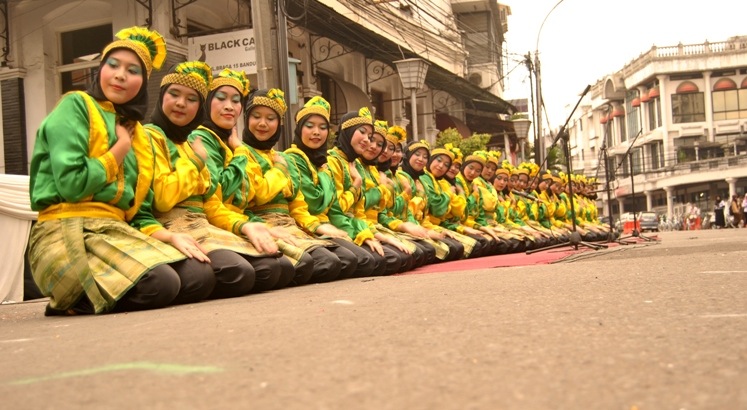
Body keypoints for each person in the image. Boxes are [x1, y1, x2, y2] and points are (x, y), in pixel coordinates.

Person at [28, 26, 209, 315]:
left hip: (116, 231)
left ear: (143, 82)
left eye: (133, 70)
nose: (121, 75)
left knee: (198, 277)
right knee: (160, 284)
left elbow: (140, 211)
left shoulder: (137, 132)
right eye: (113, 65)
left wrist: (170, 237)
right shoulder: (76, 105)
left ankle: (102, 295)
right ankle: (71, 298)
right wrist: (118, 151)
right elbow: (72, 185)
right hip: (66, 230)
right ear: (99, 70)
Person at [143, 61, 286, 299]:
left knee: (274, 268)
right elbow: (163, 199)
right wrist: (205, 160)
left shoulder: (192, 142)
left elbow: (214, 201)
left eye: (191, 99)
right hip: (169, 224)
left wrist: (245, 225)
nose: (181, 104)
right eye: (221, 98)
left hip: (209, 222)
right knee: (235, 274)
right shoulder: (161, 136)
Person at [190, 70, 303, 290]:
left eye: (235, 100)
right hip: (208, 221)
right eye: (220, 98)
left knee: (287, 267)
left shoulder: (234, 145)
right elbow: (234, 194)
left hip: (239, 220)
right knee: (277, 269)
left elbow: (300, 204)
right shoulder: (206, 139)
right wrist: (274, 169)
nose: (229, 106)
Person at [242, 88, 355, 284]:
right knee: (325, 263)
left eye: (271, 118)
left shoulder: (282, 157)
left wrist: (318, 226)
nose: (263, 123)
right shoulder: (248, 153)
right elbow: (254, 197)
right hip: (260, 223)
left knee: (349, 260)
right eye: (256, 116)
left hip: (294, 224)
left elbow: (298, 204)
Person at [285, 96, 377, 279]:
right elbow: (316, 204)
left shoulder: (326, 164)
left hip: (331, 224)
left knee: (374, 259)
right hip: (306, 225)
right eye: (309, 126)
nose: (316, 132)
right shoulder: (294, 158)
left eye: (323, 127)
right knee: (356, 261)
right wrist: (355, 187)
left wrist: (368, 232)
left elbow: (360, 209)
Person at [327, 108, 403, 275]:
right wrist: (358, 185)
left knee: (402, 256)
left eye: (371, 137)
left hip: (358, 225)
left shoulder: (355, 164)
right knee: (377, 260)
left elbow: (373, 210)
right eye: (362, 132)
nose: (369, 143)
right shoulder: (332, 161)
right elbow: (337, 209)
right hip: (333, 225)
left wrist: (370, 233)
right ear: (347, 131)